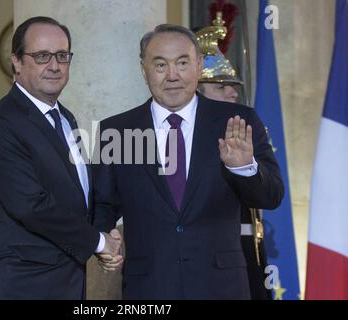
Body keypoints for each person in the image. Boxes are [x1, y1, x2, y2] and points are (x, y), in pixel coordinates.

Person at [92, 24, 284, 299]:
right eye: (160, 65)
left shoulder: (238, 121)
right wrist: (104, 238)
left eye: (182, 63)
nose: (172, 75)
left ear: (199, 64)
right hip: (150, 288)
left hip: (222, 287)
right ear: (143, 69)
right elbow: (102, 205)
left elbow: (272, 196)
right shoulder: (118, 131)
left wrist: (243, 168)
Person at [0, 16, 122, 300]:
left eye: (62, 56)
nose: (54, 65)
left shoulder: (65, 118)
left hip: (63, 282)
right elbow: (31, 206)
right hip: (17, 286)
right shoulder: (0, 125)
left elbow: (79, 195)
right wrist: (99, 242)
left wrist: (103, 229)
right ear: (16, 62)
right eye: (41, 56)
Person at [196, 20, 272, 300]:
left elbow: (271, 195)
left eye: (234, 85)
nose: (233, 91)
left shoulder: (249, 128)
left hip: (245, 258)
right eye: (221, 85)